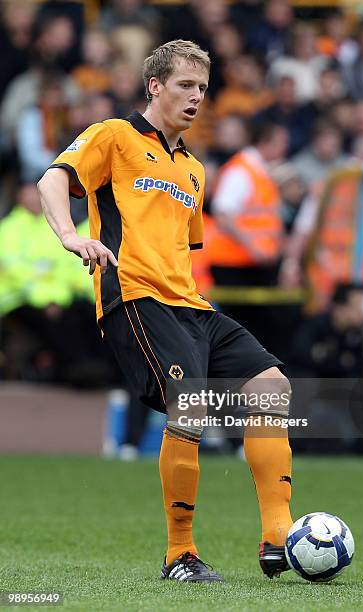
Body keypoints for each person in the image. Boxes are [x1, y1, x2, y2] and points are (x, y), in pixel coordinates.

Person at [37, 40, 293, 584]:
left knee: (272, 386)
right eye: (184, 85)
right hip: (134, 295)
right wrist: (69, 235)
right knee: (192, 406)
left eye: (202, 88)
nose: (196, 96)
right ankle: (180, 555)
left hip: (189, 303)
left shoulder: (194, 171)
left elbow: (182, 249)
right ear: (155, 86)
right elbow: (52, 179)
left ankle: (279, 535)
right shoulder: (114, 135)